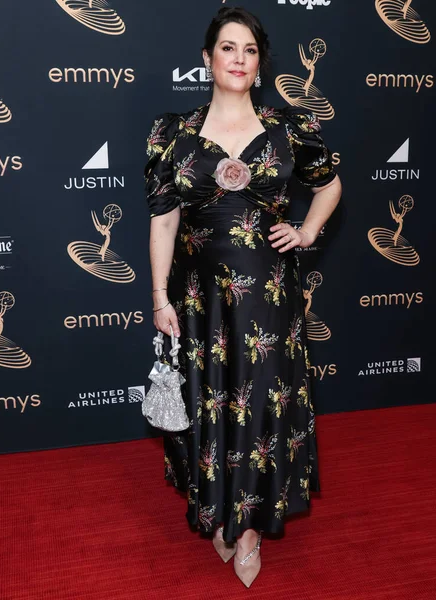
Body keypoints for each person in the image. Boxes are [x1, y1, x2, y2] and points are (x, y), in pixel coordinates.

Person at [144, 6, 342, 588]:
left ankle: (250, 527)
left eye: (249, 50)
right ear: (208, 59)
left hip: (269, 301)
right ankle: (217, 512)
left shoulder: (290, 128)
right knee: (210, 400)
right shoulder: (172, 133)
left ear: (260, 63)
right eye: (228, 48)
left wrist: (307, 231)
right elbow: (162, 223)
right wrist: (159, 296)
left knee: (259, 406)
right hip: (201, 297)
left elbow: (329, 184)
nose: (238, 59)